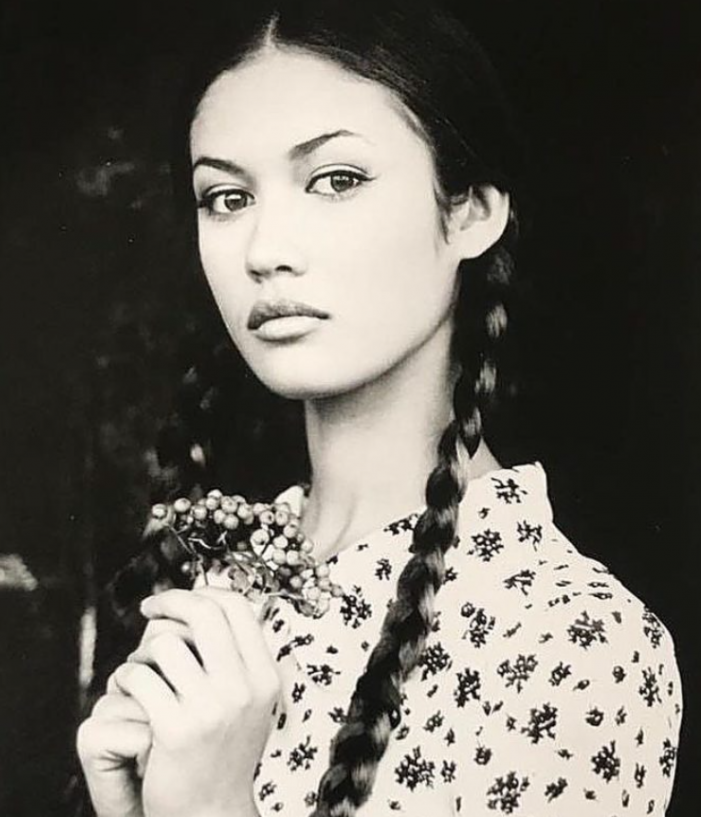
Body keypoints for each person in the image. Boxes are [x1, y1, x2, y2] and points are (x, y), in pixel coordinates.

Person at [75, 1, 683, 815]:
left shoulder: (571, 640)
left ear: (470, 211)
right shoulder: (216, 585)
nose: (264, 251)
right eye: (225, 196)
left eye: (337, 180)